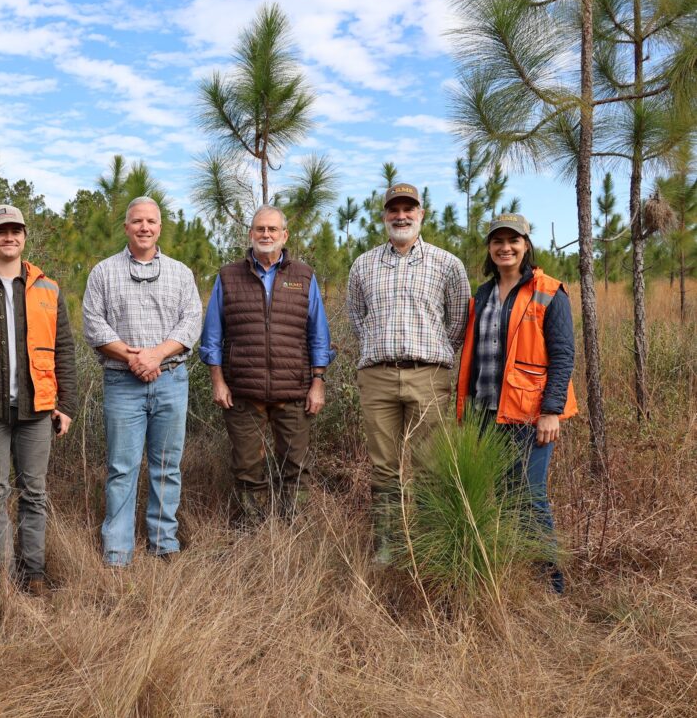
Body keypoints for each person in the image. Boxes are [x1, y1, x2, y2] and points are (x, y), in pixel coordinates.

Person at [346, 183, 471, 564]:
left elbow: (459, 320)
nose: (401, 216)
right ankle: (389, 545)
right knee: (384, 467)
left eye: (408, 209)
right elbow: (356, 316)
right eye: (393, 210)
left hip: (428, 376)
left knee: (430, 464)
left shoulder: (447, 263)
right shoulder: (364, 264)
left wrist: (433, 356)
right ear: (384, 215)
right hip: (378, 377)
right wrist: (380, 349)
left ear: (421, 214)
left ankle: (430, 544)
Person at [0, 204, 77, 596]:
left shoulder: (48, 288)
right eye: (1, 230)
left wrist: (67, 405)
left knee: (34, 493)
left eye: (16, 230)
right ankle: (2, 580)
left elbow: (64, 349)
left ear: (24, 237)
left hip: (37, 408)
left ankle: (35, 575)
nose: (9, 237)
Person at [456, 214, 576, 593]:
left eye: (513, 240)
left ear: (526, 244)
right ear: (489, 249)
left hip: (530, 413)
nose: (505, 247)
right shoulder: (483, 294)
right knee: (503, 495)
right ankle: (516, 571)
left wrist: (551, 410)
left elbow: (563, 353)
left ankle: (551, 581)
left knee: (530, 494)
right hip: (487, 412)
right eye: (497, 241)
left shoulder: (548, 291)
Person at [81, 196, 203, 566]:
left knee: (167, 465)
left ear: (160, 227)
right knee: (122, 467)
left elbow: (191, 321)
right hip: (122, 383)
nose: (144, 227)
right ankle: (117, 550)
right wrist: (133, 357)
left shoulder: (181, 273)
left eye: (151, 221)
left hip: (170, 380)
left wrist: (156, 355)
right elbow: (93, 324)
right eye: (137, 221)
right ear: (126, 227)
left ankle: (163, 542)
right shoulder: (103, 272)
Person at [199, 205, 335, 524]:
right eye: (260, 229)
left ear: (284, 235)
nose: (266, 235)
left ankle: (294, 534)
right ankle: (253, 534)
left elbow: (319, 334)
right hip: (243, 392)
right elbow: (212, 335)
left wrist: (318, 383)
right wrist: (217, 381)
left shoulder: (304, 276)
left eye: (273, 229)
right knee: (247, 467)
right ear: (250, 234)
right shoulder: (228, 276)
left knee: (297, 467)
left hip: (294, 392)